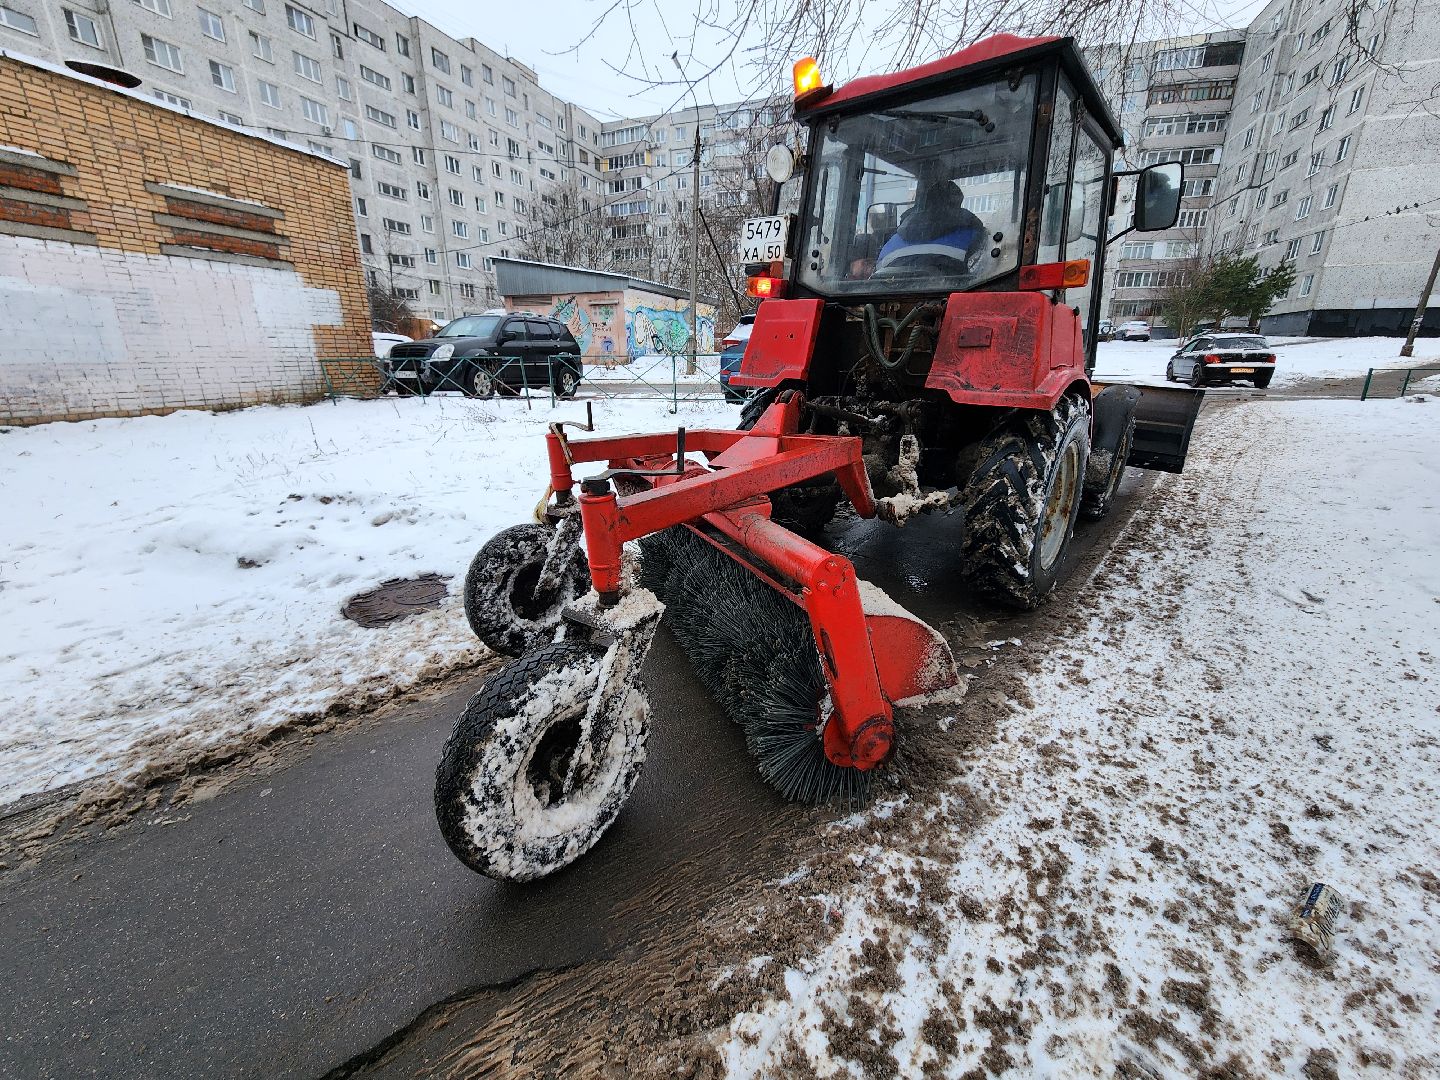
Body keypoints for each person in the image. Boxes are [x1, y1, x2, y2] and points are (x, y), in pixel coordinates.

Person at [874, 180, 985, 273]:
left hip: (892, 297)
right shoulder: (971, 235)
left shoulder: (892, 242)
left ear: (926, 203)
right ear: (955, 207)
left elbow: (877, 279)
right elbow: (981, 274)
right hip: (946, 297)